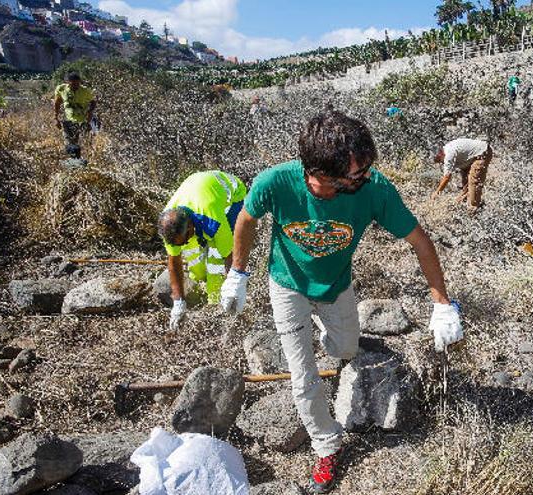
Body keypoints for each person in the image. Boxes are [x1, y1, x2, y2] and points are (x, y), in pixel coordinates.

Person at [220, 110, 462, 494]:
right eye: (355, 175)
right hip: (287, 286)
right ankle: (326, 444)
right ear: (318, 175)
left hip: (337, 285)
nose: (366, 178)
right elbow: (247, 220)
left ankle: (326, 332)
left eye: (366, 170)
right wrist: (238, 272)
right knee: (304, 377)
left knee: (346, 348)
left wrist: (442, 303)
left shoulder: (374, 188)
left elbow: (419, 241)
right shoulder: (275, 182)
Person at [158, 170, 247, 330]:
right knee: (196, 264)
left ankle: (216, 304)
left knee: (216, 259)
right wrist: (178, 301)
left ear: (191, 227)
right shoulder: (170, 225)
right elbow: (174, 260)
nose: (182, 244)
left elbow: (229, 255)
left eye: (184, 239)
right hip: (197, 190)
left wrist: (234, 284)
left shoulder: (212, 219)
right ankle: (203, 281)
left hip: (232, 196)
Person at [431, 138, 493, 212]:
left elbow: (447, 177)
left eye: (438, 160)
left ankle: (474, 209)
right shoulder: (448, 150)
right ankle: (463, 204)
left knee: (473, 182)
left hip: (482, 153)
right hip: (473, 157)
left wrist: (437, 192)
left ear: (440, 153)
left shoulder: (449, 154)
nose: (440, 163)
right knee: (465, 183)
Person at [53, 72, 96, 159]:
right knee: (69, 141)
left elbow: (93, 102)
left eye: (78, 83)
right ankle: (74, 160)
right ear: (68, 82)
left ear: (80, 82)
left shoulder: (85, 91)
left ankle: (76, 160)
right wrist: (56, 118)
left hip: (82, 120)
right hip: (68, 120)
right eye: (73, 84)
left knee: (77, 142)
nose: (76, 86)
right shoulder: (61, 89)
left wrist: (90, 113)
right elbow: (57, 103)